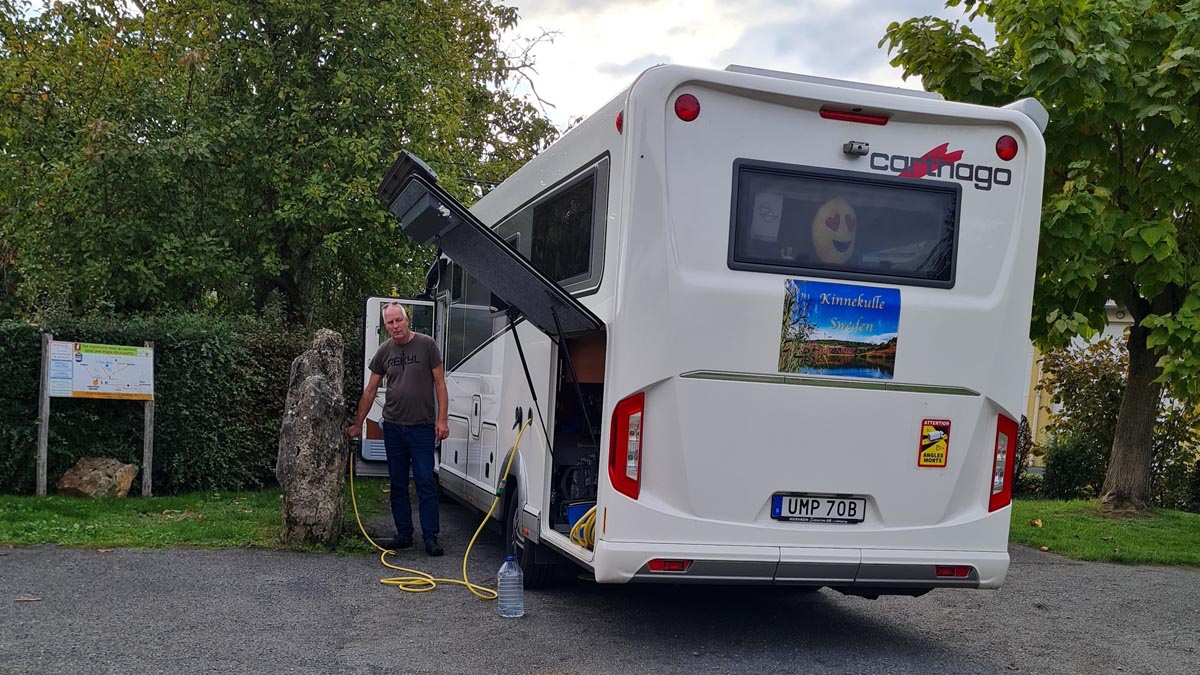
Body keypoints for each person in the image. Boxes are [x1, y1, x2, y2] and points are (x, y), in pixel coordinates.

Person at [348, 303, 449, 556]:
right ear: (386, 326)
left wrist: (442, 420)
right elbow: (371, 390)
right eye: (390, 323)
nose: (395, 326)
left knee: (425, 480)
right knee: (398, 483)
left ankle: (430, 537)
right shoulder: (384, 351)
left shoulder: (427, 345)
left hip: (422, 427)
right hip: (393, 427)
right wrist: (358, 424)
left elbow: (440, 384)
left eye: (398, 321)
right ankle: (404, 535)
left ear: (407, 320)